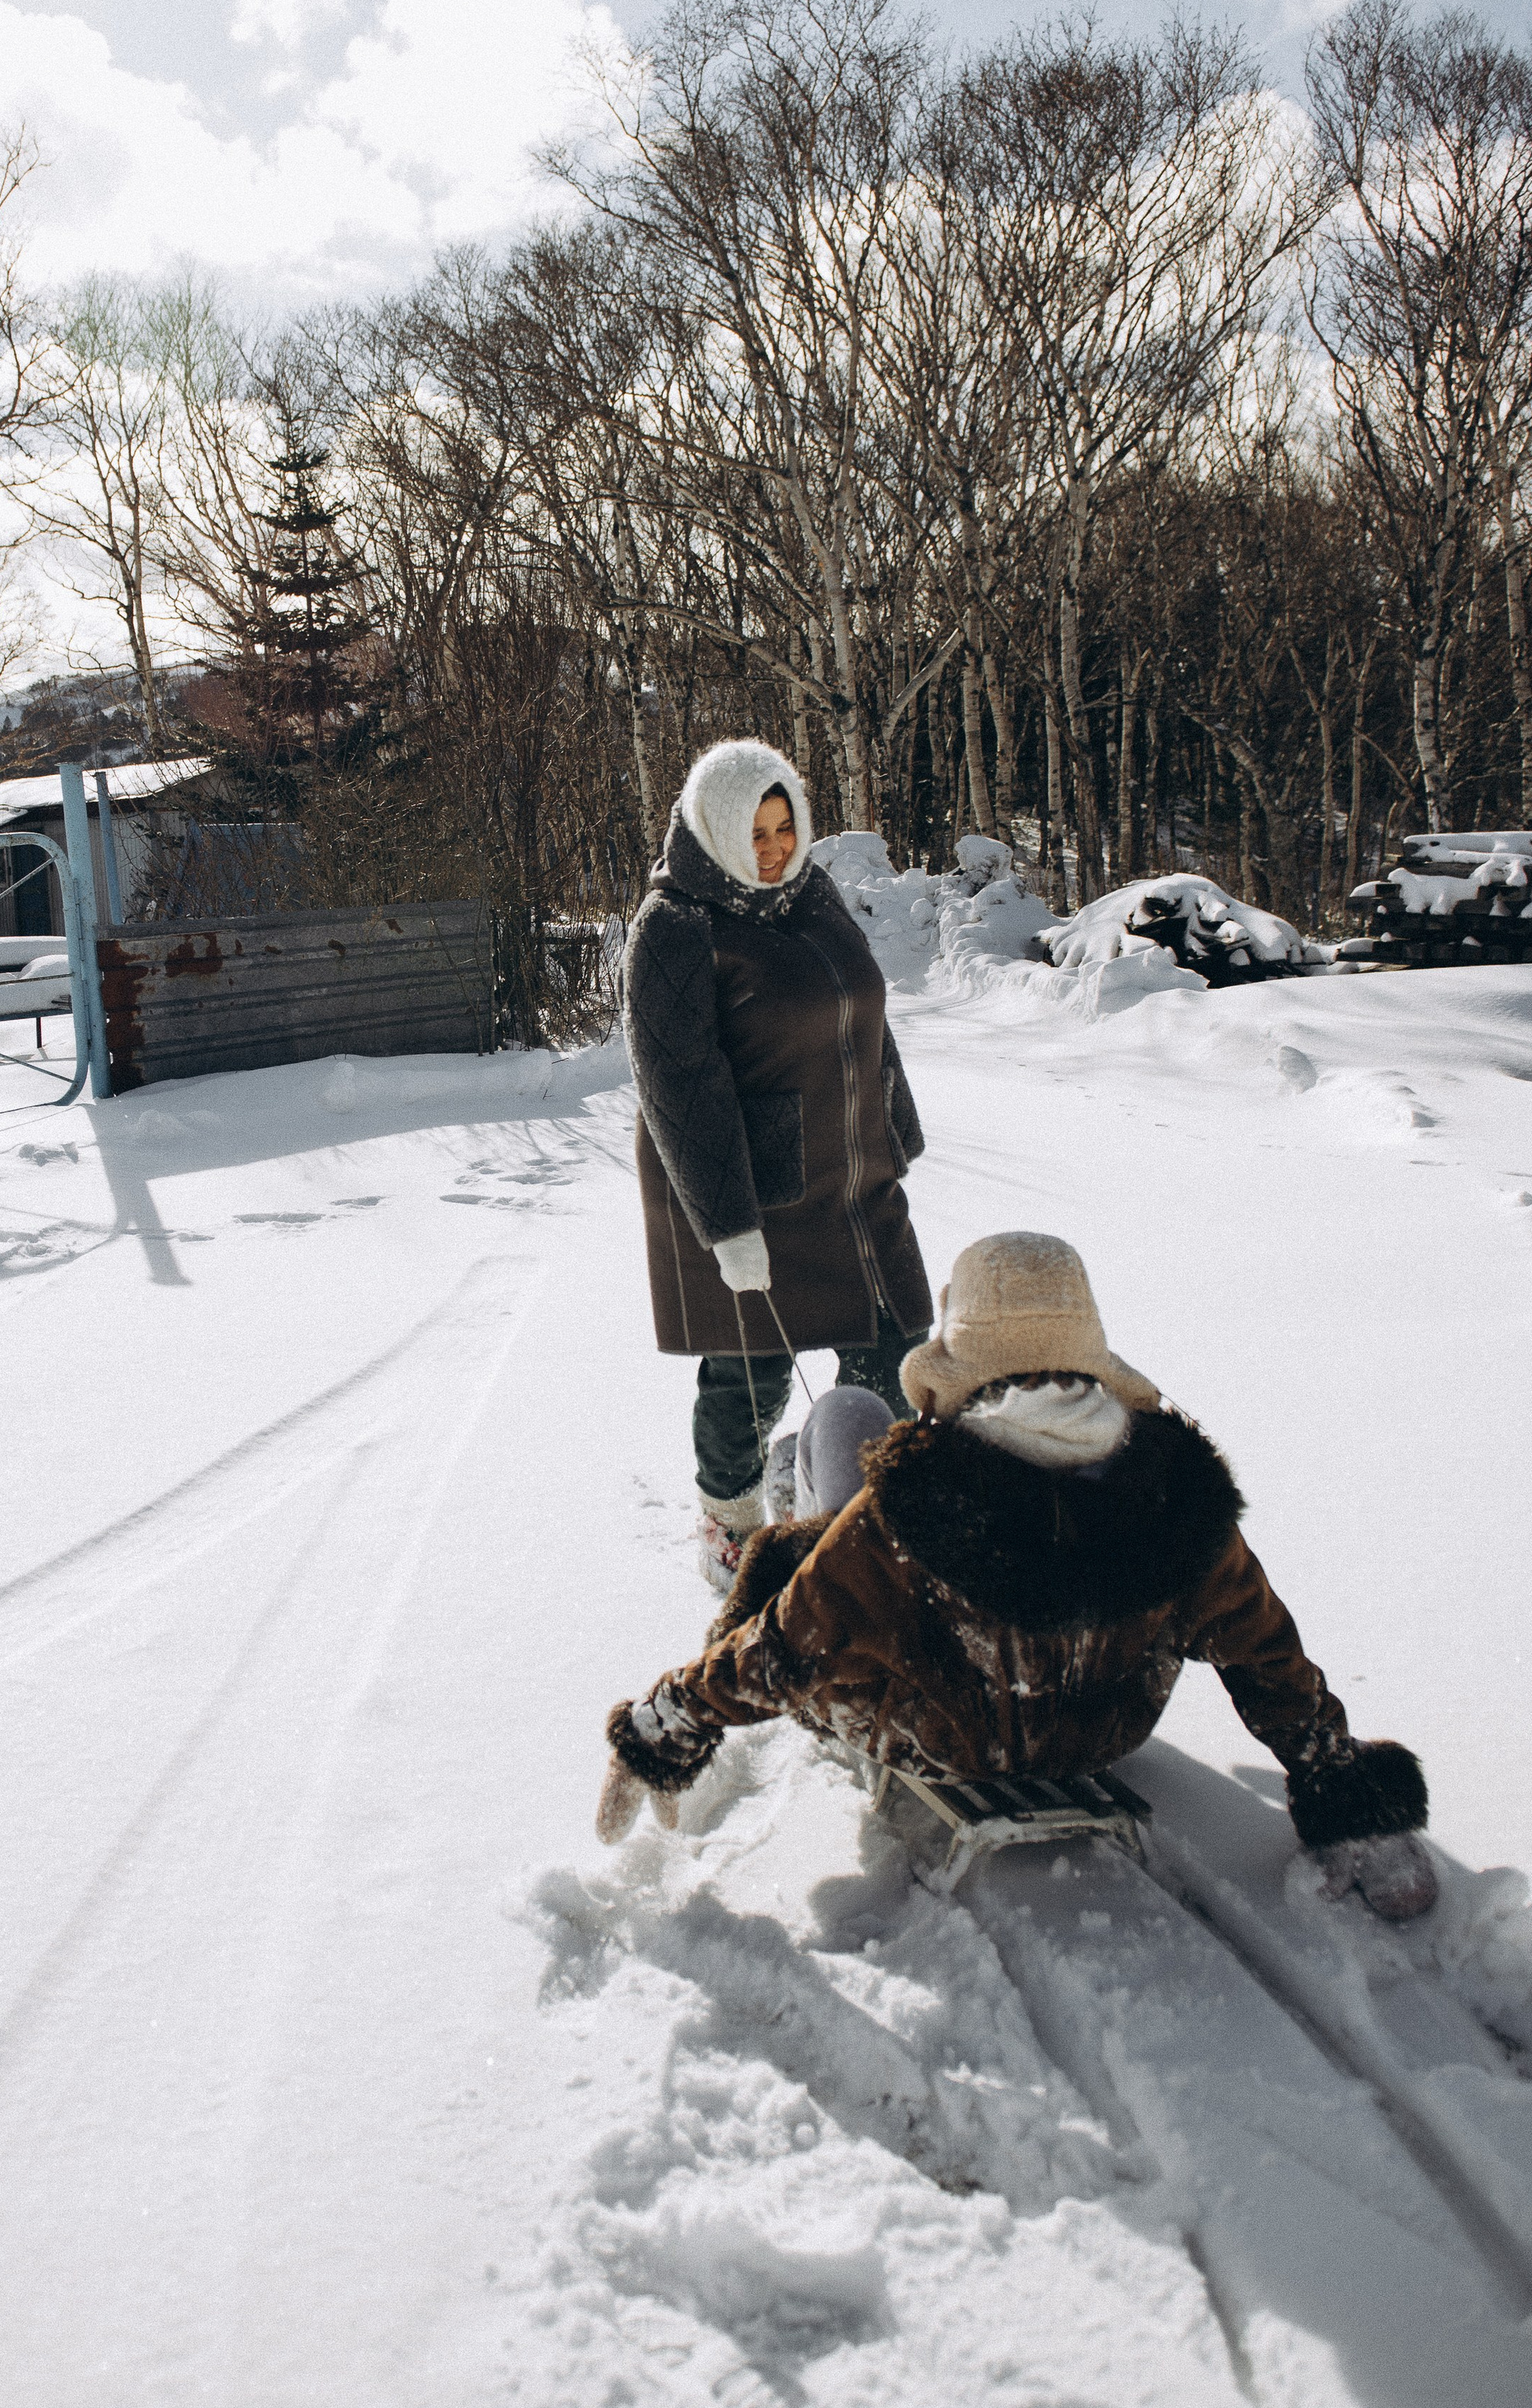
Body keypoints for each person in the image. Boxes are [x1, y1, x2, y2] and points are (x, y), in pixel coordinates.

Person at [595, 1231, 1436, 1922]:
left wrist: (667, 1725)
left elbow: (786, 1646)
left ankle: (792, 1493)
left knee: (842, 1420)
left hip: (945, 1739)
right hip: (1104, 1730)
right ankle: (802, 1491)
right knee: (852, 1474)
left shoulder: (915, 1498)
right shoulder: (1171, 1485)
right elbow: (1261, 1648)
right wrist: (1334, 1778)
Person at [623, 737, 932, 1590]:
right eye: (752, 834)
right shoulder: (675, 927)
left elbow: (861, 1012)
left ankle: (871, 1512)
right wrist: (727, 1227)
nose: (772, 850)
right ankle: (730, 1524)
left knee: (899, 1349)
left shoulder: (810, 892)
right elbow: (679, 1084)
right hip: (750, 1193)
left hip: (853, 1177)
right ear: (713, 831)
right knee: (750, 1373)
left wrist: (896, 1128)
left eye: (783, 826)